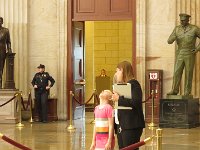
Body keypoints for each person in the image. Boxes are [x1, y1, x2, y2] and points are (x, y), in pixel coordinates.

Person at [112, 61, 145, 149]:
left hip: (131, 125)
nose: (116, 74)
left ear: (122, 70)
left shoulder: (134, 84)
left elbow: (136, 102)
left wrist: (119, 99)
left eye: (117, 71)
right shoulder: (123, 85)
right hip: (122, 125)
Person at [167, 13, 200, 96]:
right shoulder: (177, 29)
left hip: (190, 53)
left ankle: (187, 91)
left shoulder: (194, 29)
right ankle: (174, 90)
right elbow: (169, 41)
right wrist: (173, 37)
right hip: (180, 53)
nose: (182, 22)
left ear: (188, 20)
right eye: (181, 20)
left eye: (184, 20)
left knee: (189, 73)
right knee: (177, 72)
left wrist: (197, 49)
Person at [0, 17, 12, 89]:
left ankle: (0, 83)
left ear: (2, 22)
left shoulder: (6, 30)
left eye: (0, 21)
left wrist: (9, 49)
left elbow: (8, 42)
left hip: (2, 51)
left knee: (1, 68)